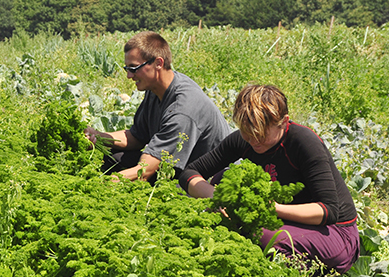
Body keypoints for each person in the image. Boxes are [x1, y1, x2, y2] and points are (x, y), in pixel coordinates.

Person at [179, 84, 359, 273]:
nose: (254, 141)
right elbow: (190, 173)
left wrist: (271, 208)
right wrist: (219, 198)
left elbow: (328, 211)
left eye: (261, 134)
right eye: (247, 133)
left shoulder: (303, 143)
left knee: (264, 237)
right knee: (223, 180)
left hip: (336, 233)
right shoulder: (244, 140)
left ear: (284, 122)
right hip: (285, 221)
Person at [85, 31, 230, 183]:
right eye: (126, 69)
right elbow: (137, 137)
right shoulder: (156, 89)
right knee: (115, 157)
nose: (129, 76)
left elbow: (144, 172)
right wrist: (99, 136)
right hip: (176, 165)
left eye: (134, 68)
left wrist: (99, 184)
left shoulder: (182, 108)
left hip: (207, 178)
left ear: (158, 63)